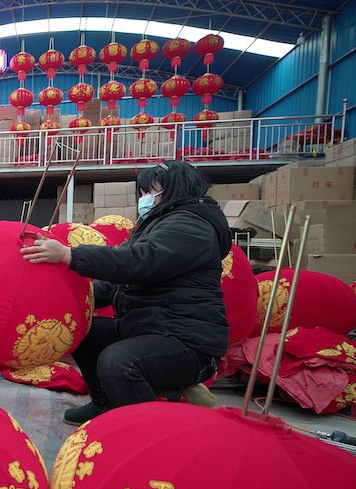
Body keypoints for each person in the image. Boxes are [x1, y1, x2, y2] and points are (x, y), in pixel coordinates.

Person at [20, 160, 232, 425]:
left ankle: (148, 432)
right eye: (141, 193)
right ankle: (104, 402)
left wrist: (69, 254)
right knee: (82, 331)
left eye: (148, 192)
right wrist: (68, 303)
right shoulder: (155, 224)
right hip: (148, 327)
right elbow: (118, 281)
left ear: (172, 189)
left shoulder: (192, 226)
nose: (143, 198)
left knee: (118, 361)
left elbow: (137, 262)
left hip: (186, 341)